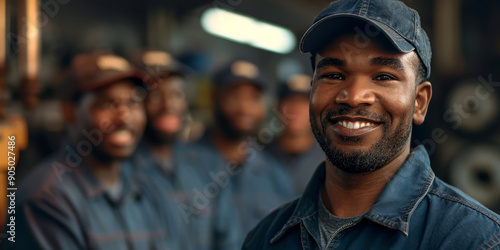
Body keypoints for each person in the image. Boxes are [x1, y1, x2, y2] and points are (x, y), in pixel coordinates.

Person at [243, 0, 500, 249]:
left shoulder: (476, 240)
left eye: (383, 76)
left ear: (419, 103)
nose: (354, 96)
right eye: (333, 75)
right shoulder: (266, 238)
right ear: (313, 91)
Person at [9, 52, 178, 249]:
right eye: (107, 104)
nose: (124, 117)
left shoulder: (149, 186)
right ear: (69, 112)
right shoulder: (45, 198)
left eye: (133, 103)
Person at [131, 50, 237, 249]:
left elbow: (230, 241)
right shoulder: (120, 170)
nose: (168, 104)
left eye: (176, 94)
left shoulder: (211, 165)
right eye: (155, 95)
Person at [193, 59, 295, 246]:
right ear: (214, 98)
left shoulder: (276, 176)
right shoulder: (184, 165)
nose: (244, 107)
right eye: (235, 96)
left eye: (254, 98)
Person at [266, 74, 324, 195]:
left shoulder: (330, 162)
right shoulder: (260, 156)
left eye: (304, 103)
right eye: (290, 101)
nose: (296, 109)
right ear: (278, 106)